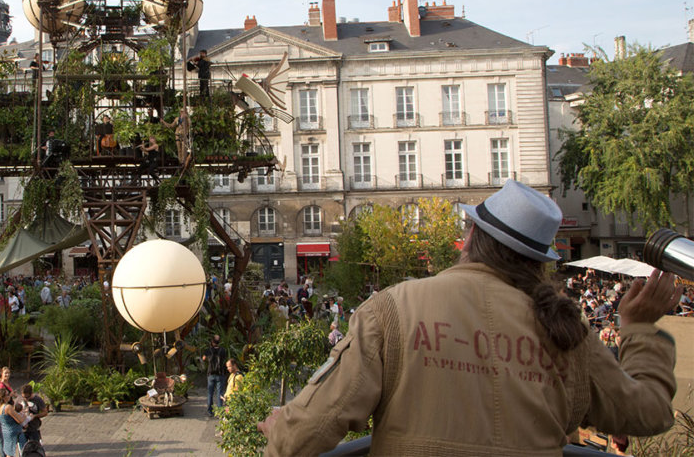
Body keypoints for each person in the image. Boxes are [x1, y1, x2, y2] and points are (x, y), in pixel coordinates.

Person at [258, 180, 682, 456]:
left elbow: (306, 431)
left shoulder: (394, 308)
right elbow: (650, 413)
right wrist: (641, 328)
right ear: (539, 262)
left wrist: (280, 428)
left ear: (471, 237)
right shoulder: (570, 331)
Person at [0, 387, 27, 457]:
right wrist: (25, 415)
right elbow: (19, 420)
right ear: (3, 397)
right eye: (7, 395)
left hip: (5, 431)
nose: (9, 396)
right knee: (21, 450)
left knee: (9, 452)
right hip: (15, 431)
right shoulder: (8, 407)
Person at [201, 334, 227, 417]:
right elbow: (224, 358)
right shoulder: (223, 350)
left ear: (212, 342)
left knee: (210, 393)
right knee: (220, 393)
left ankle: (210, 411)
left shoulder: (208, 350)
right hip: (220, 373)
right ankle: (220, 412)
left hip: (211, 373)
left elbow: (203, 358)